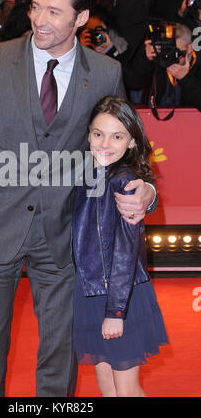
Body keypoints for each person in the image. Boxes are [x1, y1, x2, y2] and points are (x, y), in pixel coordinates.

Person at [0, 0, 156, 397]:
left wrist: (146, 191)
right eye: (36, 6)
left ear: (81, 19)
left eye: (54, 12)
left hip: (63, 233)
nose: (40, 18)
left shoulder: (105, 72)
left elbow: (121, 147)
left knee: (59, 354)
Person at [72, 95, 168, 397]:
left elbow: (127, 252)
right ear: (88, 134)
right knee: (106, 385)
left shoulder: (125, 182)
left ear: (131, 143)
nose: (104, 144)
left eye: (117, 136)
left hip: (119, 294)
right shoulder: (87, 173)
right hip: (90, 291)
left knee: (126, 390)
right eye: (98, 134)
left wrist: (115, 311)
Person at [123, 21, 201, 111]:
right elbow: (132, 83)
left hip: (189, 120)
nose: (170, 56)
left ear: (189, 48)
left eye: (177, 52)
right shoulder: (158, 58)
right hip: (154, 116)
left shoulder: (198, 64)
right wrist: (145, 58)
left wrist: (185, 78)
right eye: (168, 50)